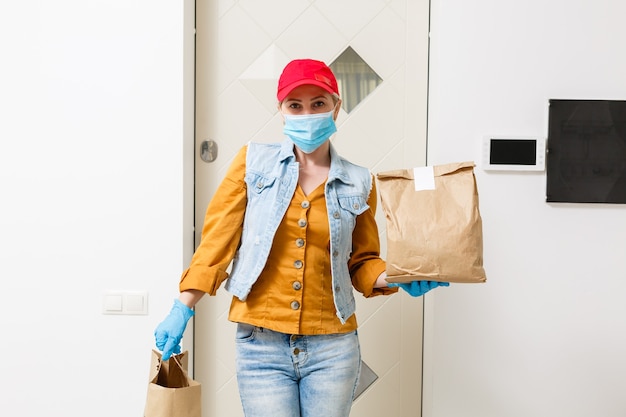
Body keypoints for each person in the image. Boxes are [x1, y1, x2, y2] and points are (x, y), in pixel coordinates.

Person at [154, 58, 449, 417]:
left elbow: (363, 262)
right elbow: (217, 243)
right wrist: (181, 307)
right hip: (260, 345)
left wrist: (399, 276)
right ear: (281, 111)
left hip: (334, 347)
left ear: (336, 108)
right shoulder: (252, 164)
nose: (307, 113)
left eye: (318, 104)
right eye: (295, 105)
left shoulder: (360, 181)